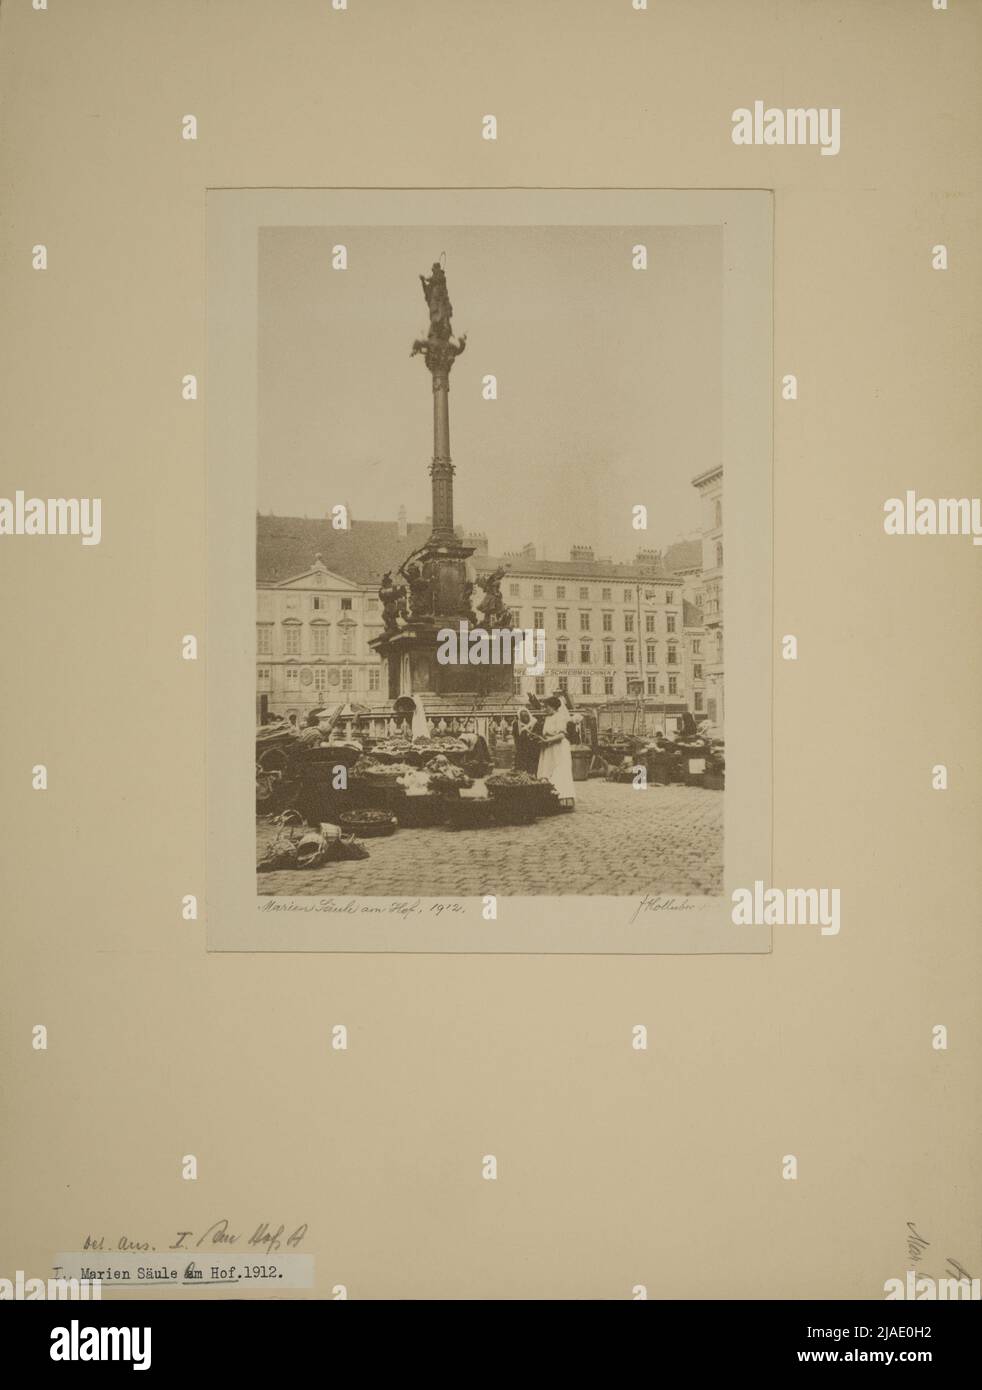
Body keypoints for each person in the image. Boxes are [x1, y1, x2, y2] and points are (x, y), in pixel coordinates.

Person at [536, 695, 576, 801]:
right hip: (549, 748)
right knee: (548, 771)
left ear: (553, 707)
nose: (545, 709)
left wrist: (548, 740)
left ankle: (562, 797)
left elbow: (562, 735)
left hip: (559, 747)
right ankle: (550, 798)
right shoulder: (548, 718)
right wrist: (542, 738)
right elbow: (547, 733)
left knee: (559, 771)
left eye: (547, 707)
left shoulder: (560, 717)